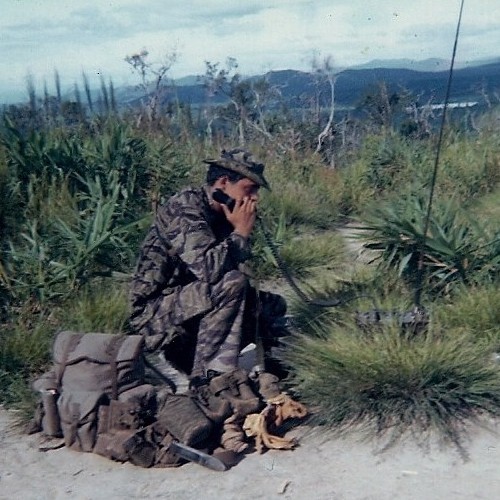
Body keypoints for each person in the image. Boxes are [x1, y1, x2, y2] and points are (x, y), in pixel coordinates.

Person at [129, 148, 288, 382]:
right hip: (155, 312)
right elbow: (210, 270)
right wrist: (241, 233)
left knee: (271, 305)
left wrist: (238, 230)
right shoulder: (185, 208)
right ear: (223, 183)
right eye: (249, 188)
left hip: (192, 302)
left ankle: (266, 367)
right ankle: (210, 380)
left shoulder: (224, 213)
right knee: (233, 284)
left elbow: (238, 267)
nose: (254, 198)